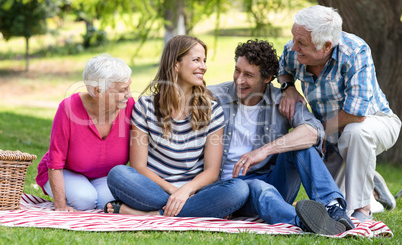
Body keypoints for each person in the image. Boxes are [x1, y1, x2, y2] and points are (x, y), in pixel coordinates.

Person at [208, 39, 353, 235]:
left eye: (248, 75)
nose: (239, 80)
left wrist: (263, 151)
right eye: (237, 71)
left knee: (302, 146)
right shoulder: (215, 96)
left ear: (267, 78)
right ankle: (306, 222)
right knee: (259, 188)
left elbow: (314, 130)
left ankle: (333, 208)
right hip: (228, 189)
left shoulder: (282, 101)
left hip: (273, 182)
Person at [278, 5, 401, 222]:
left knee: (355, 133)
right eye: (294, 39)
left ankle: (363, 210)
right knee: (332, 204)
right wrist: (288, 88)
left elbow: (356, 114)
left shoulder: (355, 52)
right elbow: (283, 69)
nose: (293, 47)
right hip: (331, 136)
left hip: (375, 122)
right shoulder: (294, 49)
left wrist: (316, 131)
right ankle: (375, 192)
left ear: (326, 45)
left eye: (302, 43)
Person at [105, 35, 249, 218]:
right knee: (118, 174)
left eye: (204, 60)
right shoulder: (145, 106)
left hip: (194, 190)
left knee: (239, 189)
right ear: (175, 64)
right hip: (153, 189)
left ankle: (151, 214)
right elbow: (138, 167)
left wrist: (186, 191)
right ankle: (194, 209)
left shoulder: (213, 110)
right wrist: (175, 192)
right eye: (196, 60)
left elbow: (212, 172)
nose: (203, 66)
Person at [36, 54, 134, 211]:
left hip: (104, 176)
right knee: (85, 200)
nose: (129, 94)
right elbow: (55, 161)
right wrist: (61, 206)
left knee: (106, 202)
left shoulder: (128, 105)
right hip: (67, 172)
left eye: (129, 87)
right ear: (98, 91)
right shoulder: (68, 108)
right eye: (123, 90)